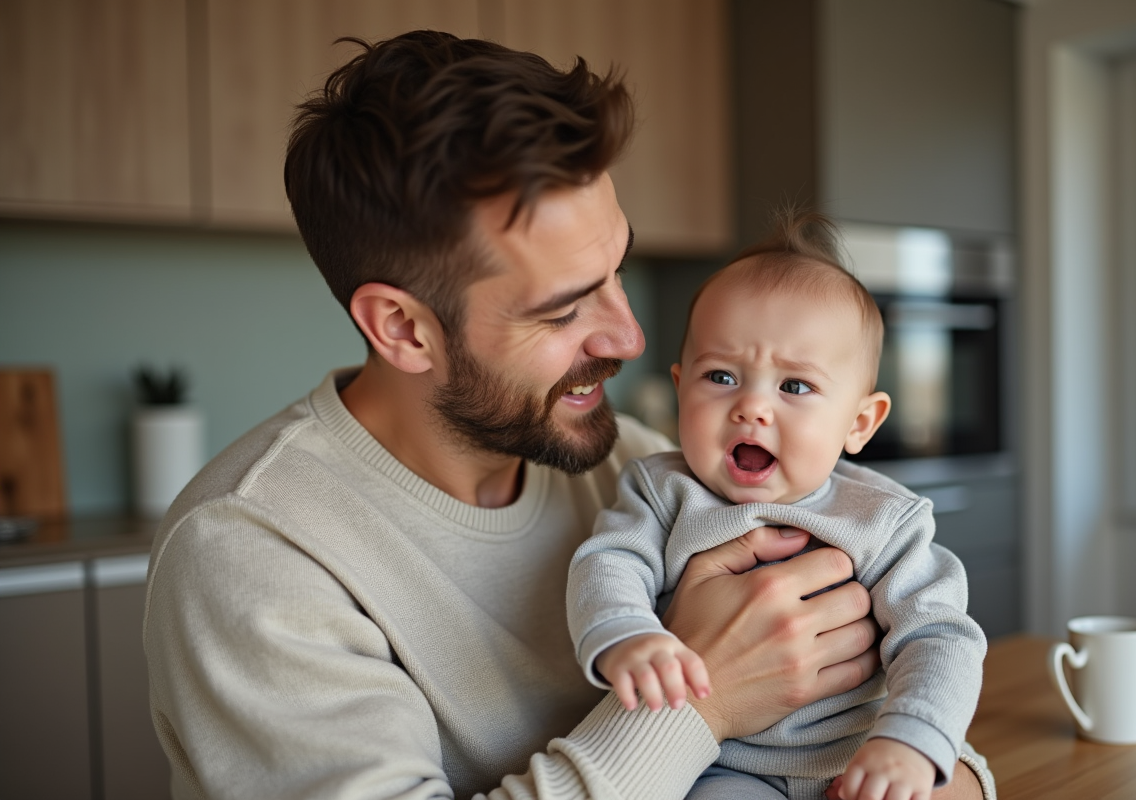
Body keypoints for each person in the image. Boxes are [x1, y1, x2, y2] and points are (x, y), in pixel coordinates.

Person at [142, 30, 991, 800]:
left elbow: (928, 723)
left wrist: (921, 764)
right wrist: (709, 701)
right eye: (562, 310)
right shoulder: (253, 552)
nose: (628, 335)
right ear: (403, 328)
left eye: (618, 270)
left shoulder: (647, 465)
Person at [567, 210, 990, 800]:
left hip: (854, 759)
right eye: (719, 376)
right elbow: (608, 562)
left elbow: (940, 636)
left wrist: (912, 741)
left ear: (860, 422)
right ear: (679, 382)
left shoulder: (883, 518)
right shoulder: (661, 489)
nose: (752, 408)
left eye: (794, 386)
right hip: (720, 766)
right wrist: (626, 634)